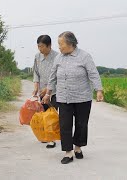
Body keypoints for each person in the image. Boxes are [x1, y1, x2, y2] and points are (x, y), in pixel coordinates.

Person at [43, 31, 104, 164]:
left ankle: (78, 147)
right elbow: (52, 77)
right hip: (63, 97)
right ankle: (68, 152)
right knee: (65, 125)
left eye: (61, 44)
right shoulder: (58, 58)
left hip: (82, 97)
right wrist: (48, 93)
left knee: (81, 124)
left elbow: (93, 73)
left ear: (70, 43)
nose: (59, 47)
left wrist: (99, 90)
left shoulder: (84, 56)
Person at [32, 35, 59, 148]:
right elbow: (36, 73)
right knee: (43, 113)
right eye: (38, 46)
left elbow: (58, 75)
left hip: (55, 91)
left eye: (42, 46)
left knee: (51, 114)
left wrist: (48, 88)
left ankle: (51, 138)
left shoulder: (57, 56)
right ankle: (45, 135)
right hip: (42, 91)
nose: (40, 49)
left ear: (49, 46)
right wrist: (36, 87)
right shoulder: (37, 57)